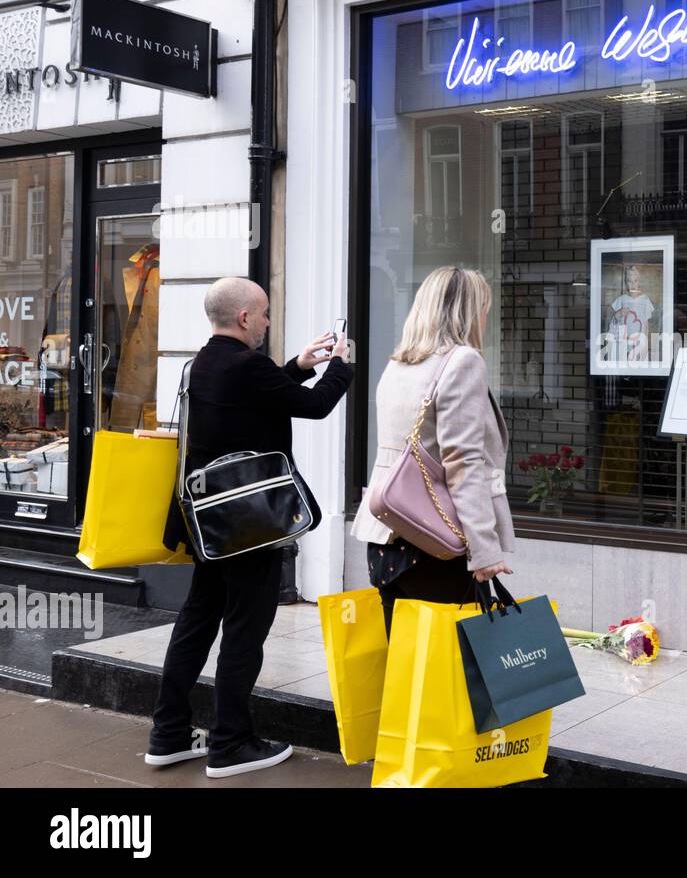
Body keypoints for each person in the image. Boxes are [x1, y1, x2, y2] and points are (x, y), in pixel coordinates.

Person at [146, 277, 353, 778]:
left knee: (197, 622)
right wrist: (340, 367)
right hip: (252, 523)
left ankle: (168, 734)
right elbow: (314, 407)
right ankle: (231, 743)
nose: (265, 321)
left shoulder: (202, 363)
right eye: (262, 314)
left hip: (209, 522)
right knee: (245, 629)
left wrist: (300, 367)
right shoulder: (249, 366)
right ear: (243, 318)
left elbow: (262, 395)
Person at [352, 265, 515, 637]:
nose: (487, 317)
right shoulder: (463, 362)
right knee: (449, 673)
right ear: (469, 312)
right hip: (435, 539)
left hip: (387, 534)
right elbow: (463, 463)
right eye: (484, 308)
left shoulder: (400, 362)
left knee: (406, 667)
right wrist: (484, 550)